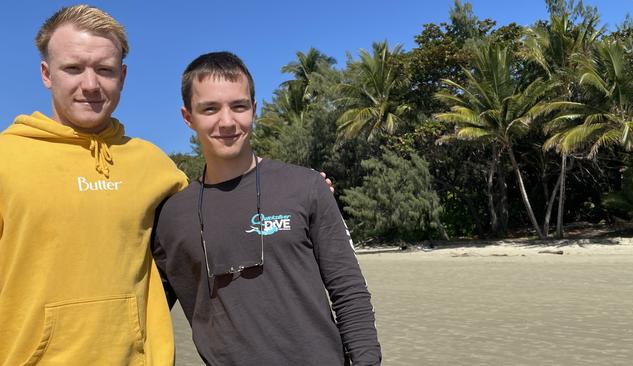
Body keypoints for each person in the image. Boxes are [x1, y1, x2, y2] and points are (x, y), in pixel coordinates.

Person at [152, 51, 382, 365]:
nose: (227, 121)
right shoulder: (172, 217)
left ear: (254, 110)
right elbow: (146, 310)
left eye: (239, 106)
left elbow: (348, 289)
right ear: (188, 117)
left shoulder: (305, 187)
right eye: (210, 109)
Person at [0, 5, 187, 365]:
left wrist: (290, 193)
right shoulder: (6, 158)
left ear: (123, 75)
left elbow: (216, 219)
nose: (90, 84)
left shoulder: (155, 165)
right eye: (73, 68)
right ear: (46, 73)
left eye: (105, 70)